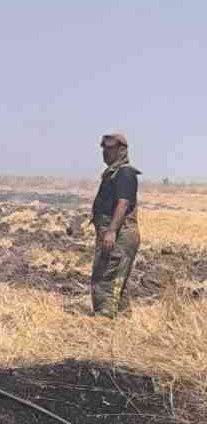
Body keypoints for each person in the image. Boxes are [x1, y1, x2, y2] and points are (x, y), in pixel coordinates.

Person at [90, 132, 140, 318]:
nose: (105, 152)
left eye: (109, 148)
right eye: (103, 147)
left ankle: (104, 322)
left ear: (122, 150)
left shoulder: (125, 173)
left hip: (119, 236)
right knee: (117, 281)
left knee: (106, 279)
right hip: (113, 234)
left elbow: (123, 203)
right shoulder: (113, 173)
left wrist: (111, 231)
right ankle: (123, 322)